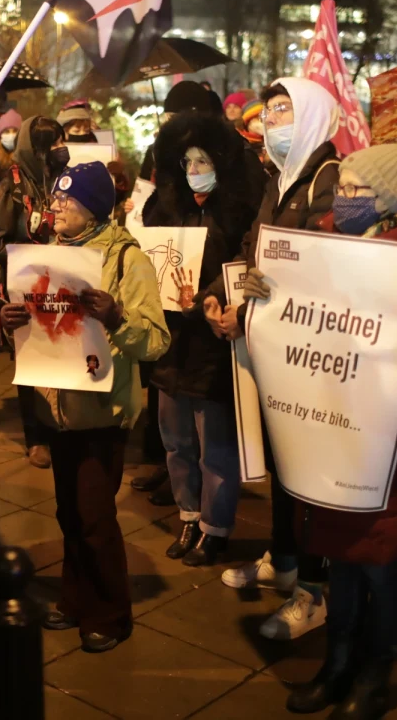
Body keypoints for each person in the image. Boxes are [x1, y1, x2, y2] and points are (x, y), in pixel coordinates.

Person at [277, 144, 397, 718]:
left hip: (385, 446)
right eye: (342, 188)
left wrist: (374, 395)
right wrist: (263, 297)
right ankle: (338, 665)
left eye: (354, 190)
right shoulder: (325, 249)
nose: (342, 199)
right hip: (334, 433)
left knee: (381, 563)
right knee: (342, 560)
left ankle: (376, 673)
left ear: (384, 199)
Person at [0, 161, 169, 652]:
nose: (55, 210)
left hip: (102, 409)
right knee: (68, 512)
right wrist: (11, 319)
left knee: (95, 516)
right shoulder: (49, 255)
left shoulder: (126, 260)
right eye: (54, 201)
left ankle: (110, 613)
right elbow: (40, 327)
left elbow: (156, 340)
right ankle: (75, 599)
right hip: (57, 406)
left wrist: (117, 317)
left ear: (91, 209)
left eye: (65, 204)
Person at [207, 76, 341, 641]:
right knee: (286, 467)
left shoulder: (329, 181)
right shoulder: (283, 179)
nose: (273, 121)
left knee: (309, 475)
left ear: (311, 114)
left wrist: (253, 310)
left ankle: (315, 590)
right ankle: (283, 563)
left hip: (309, 352)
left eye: (286, 109)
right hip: (274, 345)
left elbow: (320, 269)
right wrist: (220, 290)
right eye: (271, 110)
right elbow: (253, 249)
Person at [141, 112, 261, 567]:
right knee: (175, 440)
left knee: (216, 444)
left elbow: (244, 262)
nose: (194, 169)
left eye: (203, 160)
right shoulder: (166, 206)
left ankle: (216, 527)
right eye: (187, 161)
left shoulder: (240, 209)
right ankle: (188, 513)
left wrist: (209, 298)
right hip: (172, 341)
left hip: (214, 341)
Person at [0, 115, 69, 469]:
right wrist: (33, 248)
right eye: (50, 145)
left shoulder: (60, 180)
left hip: (58, 281)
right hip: (24, 286)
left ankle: (59, 424)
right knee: (30, 360)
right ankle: (35, 437)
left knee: (61, 350)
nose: (58, 150)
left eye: (60, 142)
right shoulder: (12, 186)